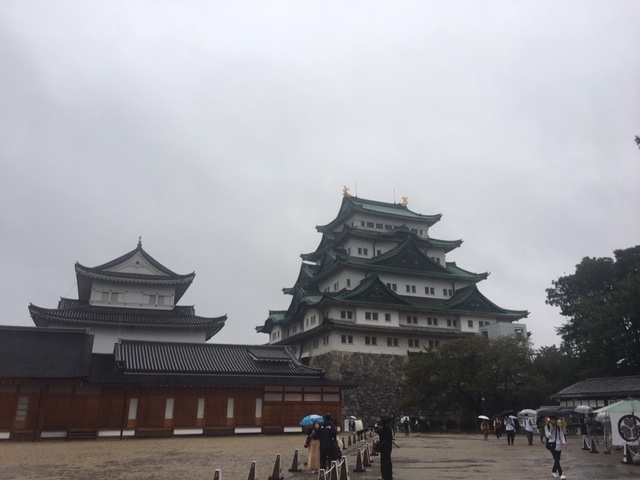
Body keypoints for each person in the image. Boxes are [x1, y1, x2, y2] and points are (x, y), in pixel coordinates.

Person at [375, 415, 394, 480]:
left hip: (384, 447)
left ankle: (385, 477)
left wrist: (376, 428)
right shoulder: (388, 427)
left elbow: (380, 432)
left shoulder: (385, 427)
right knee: (387, 462)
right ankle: (388, 476)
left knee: (384, 462)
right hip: (387, 447)